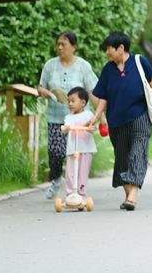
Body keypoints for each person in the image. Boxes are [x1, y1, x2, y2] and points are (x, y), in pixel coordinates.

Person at [90, 32, 152, 211]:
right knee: (122, 159)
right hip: (116, 121)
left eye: (109, 48)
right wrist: (96, 117)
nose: (107, 52)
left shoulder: (139, 61)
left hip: (139, 117)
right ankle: (129, 194)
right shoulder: (108, 70)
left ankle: (132, 197)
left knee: (137, 153)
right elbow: (103, 98)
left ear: (121, 48)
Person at [36, 31, 99, 199]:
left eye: (63, 44)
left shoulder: (83, 66)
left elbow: (93, 91)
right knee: (55, 152)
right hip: (56, 118)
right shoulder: (50, 65)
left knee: (76, 155)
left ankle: (77, 189)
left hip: (79, 121)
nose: (59, 47)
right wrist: (48, 93)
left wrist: (100, 113)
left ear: (74, 47)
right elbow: (40, 87)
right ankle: (56, 180)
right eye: (58, 44)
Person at [60, 87, 97, 202]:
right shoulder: (68, 118)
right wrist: (65, 128)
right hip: (72, 150)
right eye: (68, 101)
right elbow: (65, 128)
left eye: (73, 101)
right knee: (70, 173)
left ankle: (81, 194)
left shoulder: (88, 115)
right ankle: (70, 194)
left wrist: (91, 128)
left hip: (86, 150)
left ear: (83, 103)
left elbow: (92, 127)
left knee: (83, 173)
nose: (70, 104)